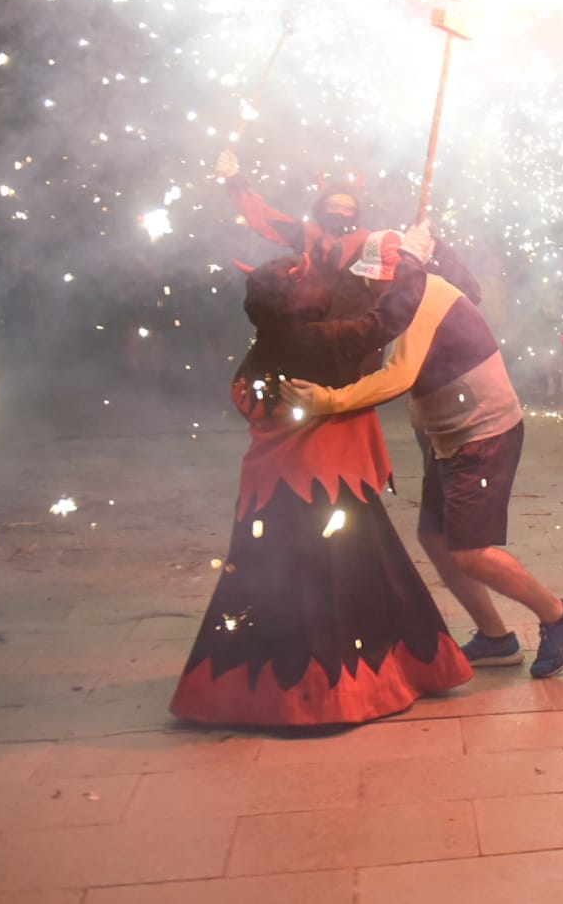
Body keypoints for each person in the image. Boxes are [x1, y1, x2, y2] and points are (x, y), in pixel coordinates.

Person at [171, 255, 472, 725]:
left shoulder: (270, 343)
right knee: (331, 585)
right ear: (291, 299)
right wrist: (414, 271)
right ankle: (329, 695)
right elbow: (384, 322)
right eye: (308, 280)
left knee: (269, 586)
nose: (320, 282)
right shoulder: (313, 342)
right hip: (324, 486)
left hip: (270, 491)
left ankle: (252, 693)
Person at [282, 231, 563, 680]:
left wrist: (328, 400)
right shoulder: (402, 299)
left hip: (483, 434)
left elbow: (398, 376)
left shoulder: (427, 298)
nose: (372, 289)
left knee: (469, 552)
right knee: (436, 539)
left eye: (379, 280)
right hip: (447, 436)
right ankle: (495, 638)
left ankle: (560, 615)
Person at [216, 147, 369, 277]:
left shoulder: (368, 240)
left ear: (355, 213)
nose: (339, 213)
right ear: (323, 209)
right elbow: (262, 217)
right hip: (308, 307)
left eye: (346, 208)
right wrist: (234, 179)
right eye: (334, 206)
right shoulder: (307, 232)